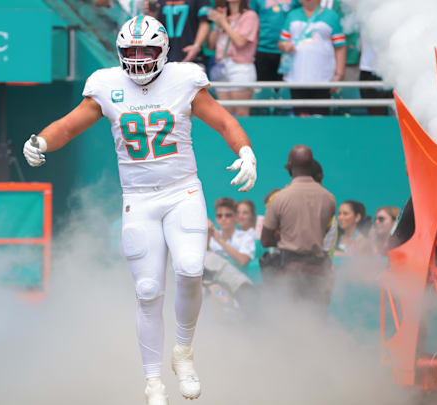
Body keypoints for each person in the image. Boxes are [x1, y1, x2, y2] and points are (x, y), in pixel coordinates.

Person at [22, 15, 257, 405]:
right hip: (138, 198)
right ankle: (152, 381)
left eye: (146, 50)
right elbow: (68, 125)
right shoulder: (106, 84)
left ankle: (183, 352)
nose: (138, 59)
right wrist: (42, 142)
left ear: (163, 50)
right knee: (148, 291)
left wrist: (245, 150)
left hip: (182, 192)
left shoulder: (184, 79)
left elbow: (224, 120)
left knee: (191, 269)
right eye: (130, 51)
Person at [260, 145, 336, 310]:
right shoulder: (329, 198)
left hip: (290, 270)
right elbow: (324, 232)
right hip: (319, 270)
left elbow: (265, 241)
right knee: (316, 321)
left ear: (290, 166)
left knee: (291, 322)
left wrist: (283, 237)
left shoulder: (280, 198)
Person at [278, 0, 346, 116]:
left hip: (323, 78)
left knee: (320, 118)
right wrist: (285, 46)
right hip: (297, 77)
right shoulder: (292, 15)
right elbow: (281, 42)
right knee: (301, 118)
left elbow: (340, 47)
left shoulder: (331, 16)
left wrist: (339, 74)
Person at [207, 0, 260, 117]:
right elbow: (210, 46)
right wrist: (217, 24)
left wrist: (224, 23)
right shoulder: (223, 14)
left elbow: (240, 42)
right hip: (221, 65)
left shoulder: (250, 16)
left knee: (241, 113)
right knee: (225, 114)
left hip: (241, 66)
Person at [205, 197, 257, 312]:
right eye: (219, 216)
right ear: (216, 219)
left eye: (228, 215)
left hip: (242, 287)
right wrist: (207, 234)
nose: (223, 219)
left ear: (235, 217)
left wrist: (221, 241)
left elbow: (243, 260)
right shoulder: (212, 239)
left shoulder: (246, 236)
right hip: (218, 287)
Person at [145, 0, 211, 64]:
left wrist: (196, 46)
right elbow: (154, 25)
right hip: (164, 56)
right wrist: (152, 14)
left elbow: (205, 21)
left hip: (190, 55)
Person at [249, 0, 299, 84]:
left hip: (289, 52)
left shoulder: (296, 2)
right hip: (263, 50)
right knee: (264, 91)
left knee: (286, 91)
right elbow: (252, 19)